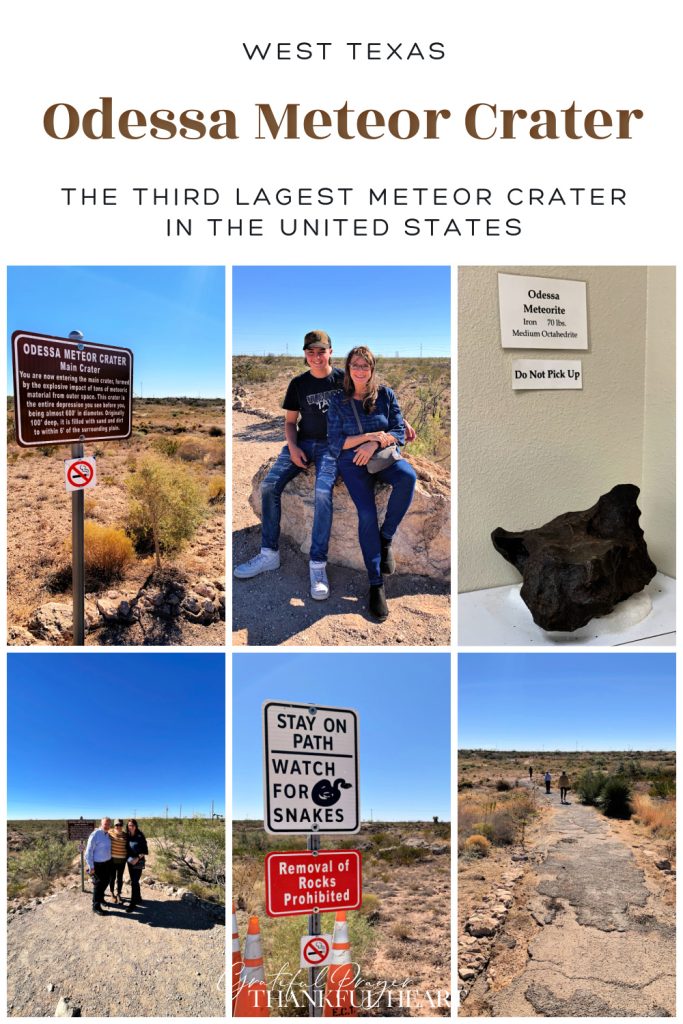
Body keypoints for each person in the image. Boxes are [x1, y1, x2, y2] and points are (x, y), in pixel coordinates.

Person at [234, 330, 342, 600]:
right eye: (310, 352)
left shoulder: (344, 379)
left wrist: (398, 423)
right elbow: (290, 422)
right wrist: (293, 448)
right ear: (305, 355)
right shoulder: (298, 384)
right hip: (303, 442)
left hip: (333, 445)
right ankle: (269, 554)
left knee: (322, 493)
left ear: (330, 351)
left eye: (321, 351)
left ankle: (317, 565)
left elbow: (371, 401)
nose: (316, 357)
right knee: (270, 486)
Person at [327, 346, 418, 621]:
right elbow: (335, 442)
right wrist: (367, 436)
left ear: (372, 369)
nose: (360, 370)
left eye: (365, 366)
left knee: (408, 477)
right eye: (355, 365)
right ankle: (376, 584)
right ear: (348, 367)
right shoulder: (338, 400)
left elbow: (399, 430)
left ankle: (386, 537)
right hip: (352, 463)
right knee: (366, 513)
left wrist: (374, 442)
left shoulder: (386, 395)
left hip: (382, 457)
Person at [84, 817, 112, 916]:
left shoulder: (107, 834)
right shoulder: (95, 834)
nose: (107, 825)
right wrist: (91, 866)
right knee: (98, 885)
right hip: (97, 864)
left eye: (109, 824)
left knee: (107, 881)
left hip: (107, 863)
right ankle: (96, 906)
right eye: (105, 824)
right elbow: (88, 852)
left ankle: (101, 898)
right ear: (101, 824)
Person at [125, 818, 149, 913]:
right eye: (129, 825)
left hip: (139, 861)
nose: (131, 827)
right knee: (134, 881)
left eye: (133, 825)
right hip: (130, 861)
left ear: (136, 826)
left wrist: (137, 858)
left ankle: (132, 903)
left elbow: (145, 851)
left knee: (134, 881)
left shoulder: (140, 836)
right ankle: (138, 897)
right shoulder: (127, 836)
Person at [108, 818, 128, 905]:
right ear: (114, 825)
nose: (118, 826)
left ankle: (119, 893)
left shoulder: (125, 835)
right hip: (112, 860)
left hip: (122, 860)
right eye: (116, 825)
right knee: (112, 877)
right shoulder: (109, 832)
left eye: (120, 825)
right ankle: (112, 893)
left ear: (122, 826)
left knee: (120, 878)